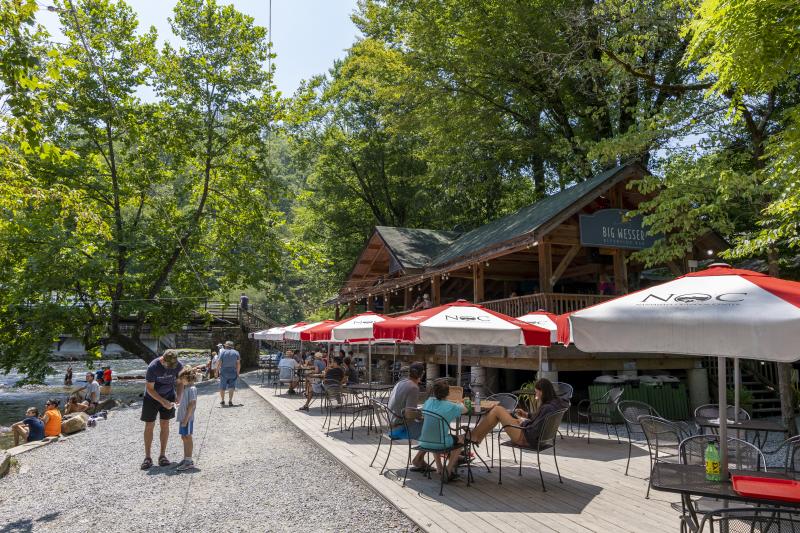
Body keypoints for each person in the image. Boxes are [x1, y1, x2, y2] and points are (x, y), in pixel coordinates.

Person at [467, 378, 569, 449]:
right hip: (535, 437)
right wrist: (526, 415)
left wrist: (522, 422)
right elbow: (539, 421)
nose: (536, 395)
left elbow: (534, 430)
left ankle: (475, 436)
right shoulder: (555, 404)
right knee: (501, 412)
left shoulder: (547, 408)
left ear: (542, 392)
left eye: (536, 392)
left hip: (526, 438)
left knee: (497, 410)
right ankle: (476, 437)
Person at [140, 349, 184, 470]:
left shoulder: (178, 365)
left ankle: (162, 455)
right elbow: (149, 388)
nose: (170, 368)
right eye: (168, 365)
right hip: (151, 397)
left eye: (172, 366)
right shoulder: (153, 367)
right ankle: (148, 457)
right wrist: (162, 401)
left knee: (165, 424)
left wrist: (179, 396)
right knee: (149, 425)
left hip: (169, 395)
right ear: (162, 360)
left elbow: (180, 382)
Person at [418, 379, 468, 482]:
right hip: (440, 443)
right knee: (461, 439)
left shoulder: (428, 402)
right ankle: (448, 470)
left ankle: (439, 468)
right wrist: (460, 403)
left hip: (424, 442)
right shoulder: (451, 406)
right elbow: (465, 410)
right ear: (448, 393)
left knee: (437, 434)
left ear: (434, 392)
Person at [387, 363, 429, 471]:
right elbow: (409, 414)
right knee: (434, 428)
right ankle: (418, 459)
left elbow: (406, 411)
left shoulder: (400, 383)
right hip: (400, 429)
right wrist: (421, 414)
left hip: (391, 426)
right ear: (422, 374)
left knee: (431, 427)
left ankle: (419, 459)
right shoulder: (413, 387)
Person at [176, 366, 198, 471]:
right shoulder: (187, 388)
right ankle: (186, 458)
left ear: (188, 377)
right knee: (184, 437)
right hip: (183, 418)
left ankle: (189, 461)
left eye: (182, 378)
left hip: (187, 419)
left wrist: (185, 420)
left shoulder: (192, 389)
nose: (180, 380)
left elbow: (192, 404)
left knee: (187, 437)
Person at [216, 340, 240, 407]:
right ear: (232, 346)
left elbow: (219, 363)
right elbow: (238, 364)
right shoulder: (236, 353)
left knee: (222, 387)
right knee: (231, 387)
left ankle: (223, 400)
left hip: (224, 372)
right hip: (233, 371)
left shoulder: (223, 353)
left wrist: (216, 372)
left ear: (226, 346)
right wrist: (238, 373)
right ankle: (230, 401)